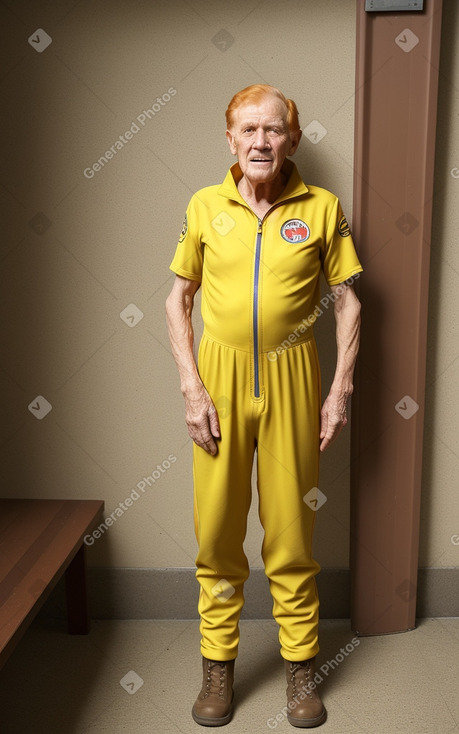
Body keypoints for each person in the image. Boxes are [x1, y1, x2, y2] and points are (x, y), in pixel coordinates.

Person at [165, 84, 362, 728]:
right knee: (218, 531)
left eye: (272, 130)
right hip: (219, 377)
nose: (260, 142)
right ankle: (218, 669)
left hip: (293, 378)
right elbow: (178, 301)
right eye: (247, 130)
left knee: (291, 533)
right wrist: (193, 389)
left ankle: (301, 672)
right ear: (229, 140)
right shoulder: (203, 205)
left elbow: (351, 303)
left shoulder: (323, 207)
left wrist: (338, 392)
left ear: (293, 139)